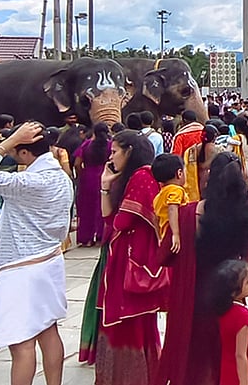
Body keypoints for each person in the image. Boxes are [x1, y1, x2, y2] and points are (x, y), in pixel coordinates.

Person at [0, 122, 73, 385]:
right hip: (50, 260)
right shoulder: (61, 177)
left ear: (24, 153)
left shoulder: (28, 181)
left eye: (16, 151)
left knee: (20, 343)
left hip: (22, 267)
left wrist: (9, 141)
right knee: (48, 331)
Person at [156, 154, 248, 385]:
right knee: (228, 362)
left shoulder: (186, 213)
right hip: (228, 301)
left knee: (195, 366)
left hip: (192, 301)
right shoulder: (246, 216)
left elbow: (163, 256)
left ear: (209, 178)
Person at [90, 130, 164, 384]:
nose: (111, 157)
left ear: (129, 150)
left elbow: (120, 221)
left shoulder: (142, 176)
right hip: (125, 255)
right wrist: (105, 185)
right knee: (132, 322)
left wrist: (110, 188)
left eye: (114, 151)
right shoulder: (132, 177)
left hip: (133, 259)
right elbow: (109, 218)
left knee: (129, 322)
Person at [211, 260, 248, 385]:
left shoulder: (223, 309)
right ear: (234, 291)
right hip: (247, 371)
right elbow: (240, 355)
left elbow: (237, 327)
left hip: (227, 368)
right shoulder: (243, 315)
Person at [73, 122, 111, 247]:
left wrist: (82, 174)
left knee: (86, 208)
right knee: (103, 208)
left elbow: (77, 163)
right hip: (105, 177)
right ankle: (101, 236)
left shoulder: (86, 145)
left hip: (88, 178)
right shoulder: (110, 145)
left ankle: (87, 238)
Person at [152, 154, 188, 253]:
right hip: (177, 236)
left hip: (165, 237)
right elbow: (172, 208)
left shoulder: (159, 196)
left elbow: (155, 219)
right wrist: (175, 234)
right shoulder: (176, 190)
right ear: (179, 173)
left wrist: (159, 237)